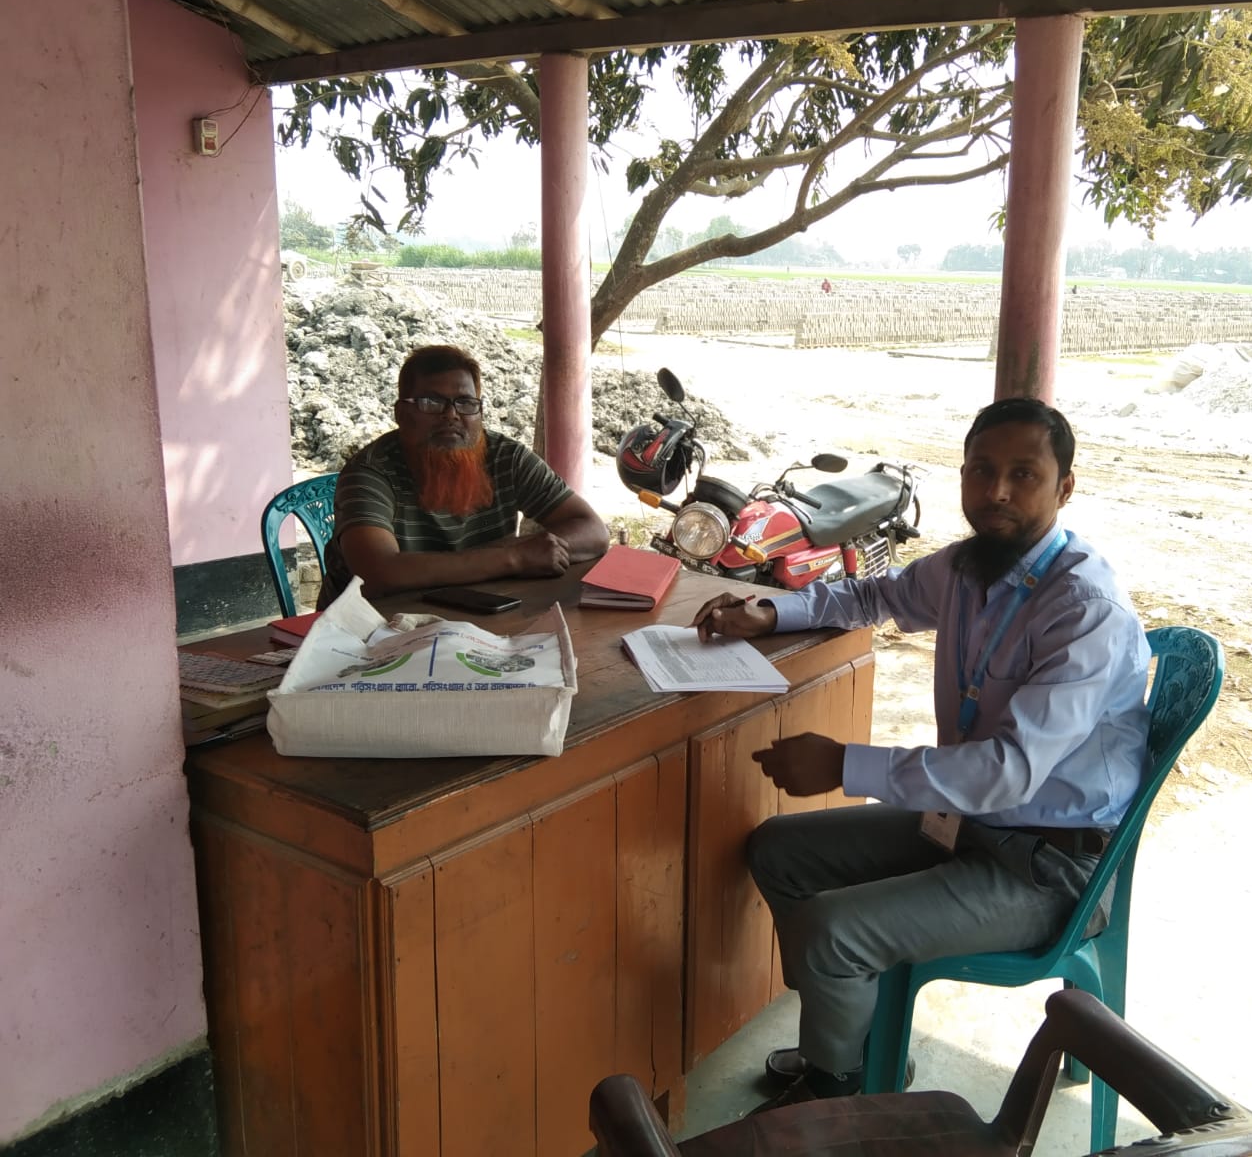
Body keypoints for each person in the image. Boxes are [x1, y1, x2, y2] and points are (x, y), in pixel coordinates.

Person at [692, 397, 1151, 1112]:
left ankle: (836, 1091)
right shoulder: (970, 568)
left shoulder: (1082, 608)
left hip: (1049, 865)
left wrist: (844, 765)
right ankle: (859, 1043)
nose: (997, 492)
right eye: (981, 470)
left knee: (833, 932)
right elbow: (875, 594)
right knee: (779, 850)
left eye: (1024, 474)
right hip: (973, 826)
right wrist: (771, 610)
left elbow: (1007, 772)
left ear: (1064, 487)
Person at [318, 344, 609, 606]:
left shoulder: (506, 458)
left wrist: (494, 558)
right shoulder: (370, 473)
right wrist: (513, 556)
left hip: (478, 612)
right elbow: (380, 571)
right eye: (431, 403)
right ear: (402, 413)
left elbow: (593, 532)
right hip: (368, 628)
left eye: (466, 403)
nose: (451, 415)